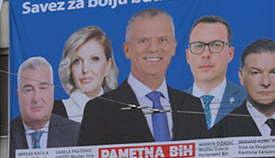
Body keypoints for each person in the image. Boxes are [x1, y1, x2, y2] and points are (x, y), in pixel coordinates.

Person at [78, 8, 209, 146]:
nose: (153, 48)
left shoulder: (193, 106)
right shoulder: (99, 110)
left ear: (173, 47)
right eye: (143, 41)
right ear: (127, 50)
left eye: (162, 40)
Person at [210, 38, 275, 154]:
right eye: (256, 73)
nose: (265, 82)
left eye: (274, 72)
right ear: (241, 76)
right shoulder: (224, 128)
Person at [9, 56, 79, 158]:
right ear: (18, 95)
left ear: (52, 91)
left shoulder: (76, 133)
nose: (36, 98)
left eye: (43, 88)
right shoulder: (4, 136)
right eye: (28, 90)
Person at [184, 15, 245, 127]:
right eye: (198, 46)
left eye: (216, 45)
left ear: (230, 54)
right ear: (188, 56)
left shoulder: (249, 100)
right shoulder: (172, 105)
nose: (206, 54)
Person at [52, 25, 119, 123]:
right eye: (77, 61)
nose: (85, 69)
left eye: (94, 59)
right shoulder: (53, 111)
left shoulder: (121, 110)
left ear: (108, 66)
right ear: (70, 68)